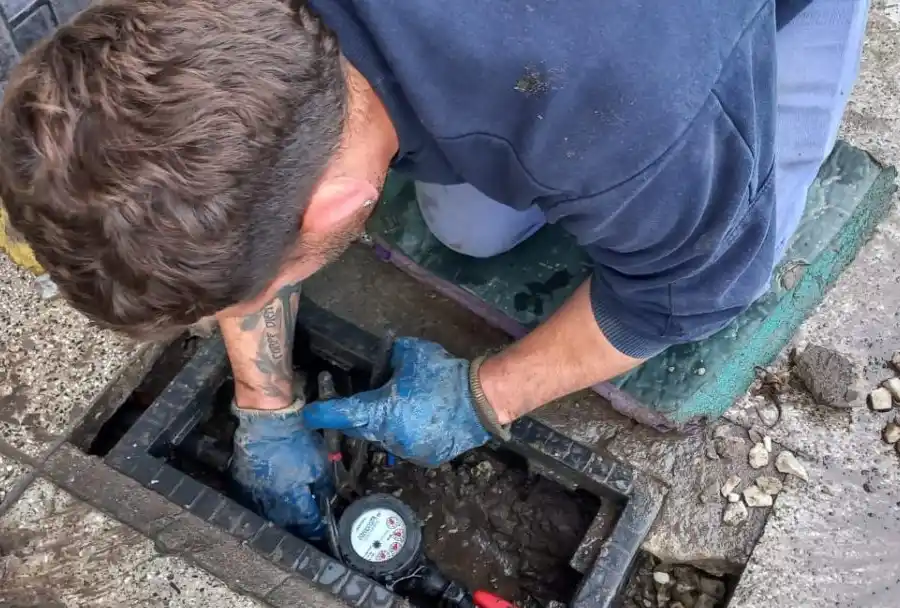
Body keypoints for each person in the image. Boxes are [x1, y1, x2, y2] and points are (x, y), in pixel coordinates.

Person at [0, 0, 868, 537]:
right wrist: (264, 403)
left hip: (679, 46)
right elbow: (219, 173)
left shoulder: (646, 128)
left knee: (732, 231)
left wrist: (485, 395)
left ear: (337, 206)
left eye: (253, 287)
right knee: (472, 234)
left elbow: (682, 294)